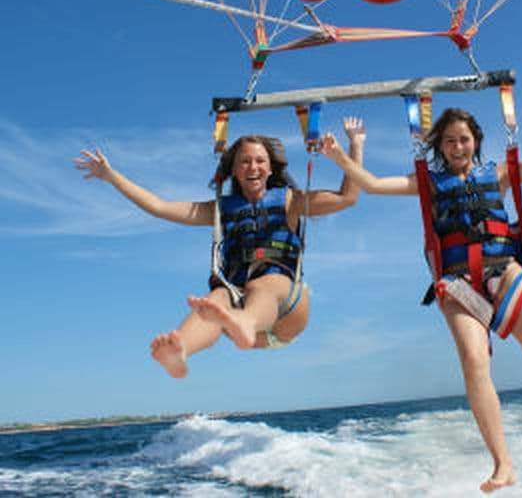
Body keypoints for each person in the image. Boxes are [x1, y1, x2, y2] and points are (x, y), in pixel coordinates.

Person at [320, 98, 522, 493]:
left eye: (463, 140)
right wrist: (341, 155)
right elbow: (373, 184)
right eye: (449, 142)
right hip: (457, 283)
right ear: (440, 148)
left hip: (503, 270)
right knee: (475, 362)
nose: (457, 148)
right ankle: (503, 463)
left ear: (475, 141)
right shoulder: (428, 184)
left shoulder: (499, 175)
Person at [74, 117, 366, 379]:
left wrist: (355, 145)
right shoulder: (219, 210)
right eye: (245, 161)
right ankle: (180, 351)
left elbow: (347, 197)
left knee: (265, 284)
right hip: (237, 310)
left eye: (260, 160)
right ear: (234, 170)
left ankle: (245, 322)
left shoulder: (290, 201)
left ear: (270, 167)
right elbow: (158, 206)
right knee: (216, 297)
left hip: (286, 314)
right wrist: (111, 176)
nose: (253, 166)